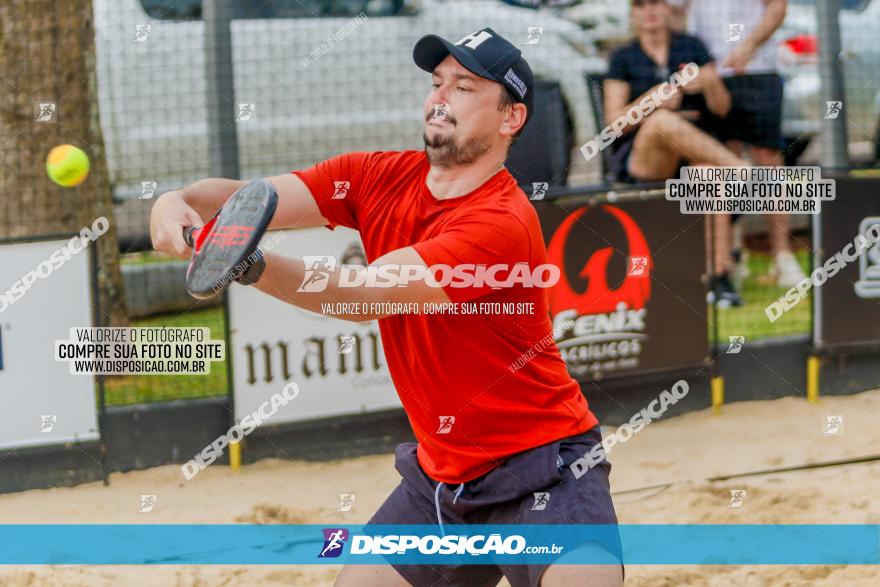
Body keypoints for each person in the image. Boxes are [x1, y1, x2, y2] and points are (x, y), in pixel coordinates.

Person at [151, 28, 623, 587]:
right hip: (444, 480)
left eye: (466, 86)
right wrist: (174, 201)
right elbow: (250, 198)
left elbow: (362, 294)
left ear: (510, 118)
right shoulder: (377, 175)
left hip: (543, 467)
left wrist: (246, 264)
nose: (441, 97)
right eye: (437, 82)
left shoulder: (500, 222)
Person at [604, 0, 750, 305]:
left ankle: (718, 278)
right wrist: (651, 100)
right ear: (633, 13)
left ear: (667, 8)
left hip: (693, 154)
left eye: (655, 2)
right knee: (661, 121)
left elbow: (722, 109)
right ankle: (743, 171)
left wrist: (710, 82)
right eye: (641, 5)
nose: (650, 10)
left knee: (708, 174)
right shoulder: (623, 57)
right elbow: (614, 124)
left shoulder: (691, 46)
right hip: (645, 158)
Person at [670, 0, 807, 287]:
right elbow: (674, 11)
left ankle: (782, 256)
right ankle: (731, 256)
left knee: (767, 159)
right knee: (724, 160)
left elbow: (778, 8)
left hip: (757, 70)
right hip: (712, 76)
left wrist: (749, 46)